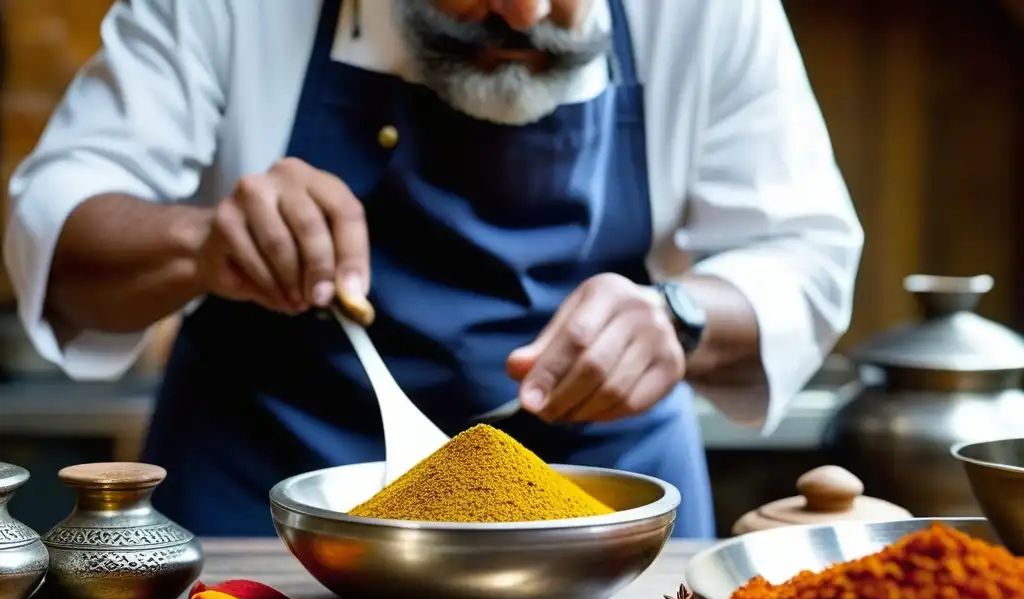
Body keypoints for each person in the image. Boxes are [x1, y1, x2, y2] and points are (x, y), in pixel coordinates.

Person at [3, 0, 862, 538]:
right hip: (265, 513)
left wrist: (679, 316)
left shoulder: (709, 12)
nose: (525, 16)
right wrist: (202, 242)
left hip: (601, 525)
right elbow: (57, 221)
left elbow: (809, 254)